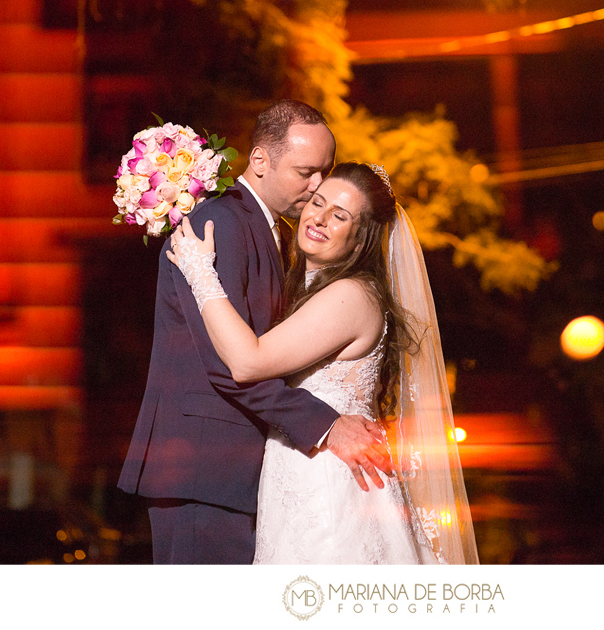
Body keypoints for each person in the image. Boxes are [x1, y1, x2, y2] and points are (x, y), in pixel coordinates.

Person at [117, 100, 392, 564]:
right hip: (202, 468)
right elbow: (231, 364)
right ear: (260, 160)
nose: (318, 185)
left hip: (237, 475)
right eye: (307, 172)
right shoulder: (217, 223)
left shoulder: (277, 234)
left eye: (324, 172)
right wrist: (325, 424)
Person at [167, 161, 479, 564]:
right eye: (318, 202)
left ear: (360, 237)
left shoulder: (351, 296)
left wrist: (200, 271)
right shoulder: (307, 286)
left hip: (332, 490)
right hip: (299, 478)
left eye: (340, 215)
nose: (320, 218)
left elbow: (247, 362)